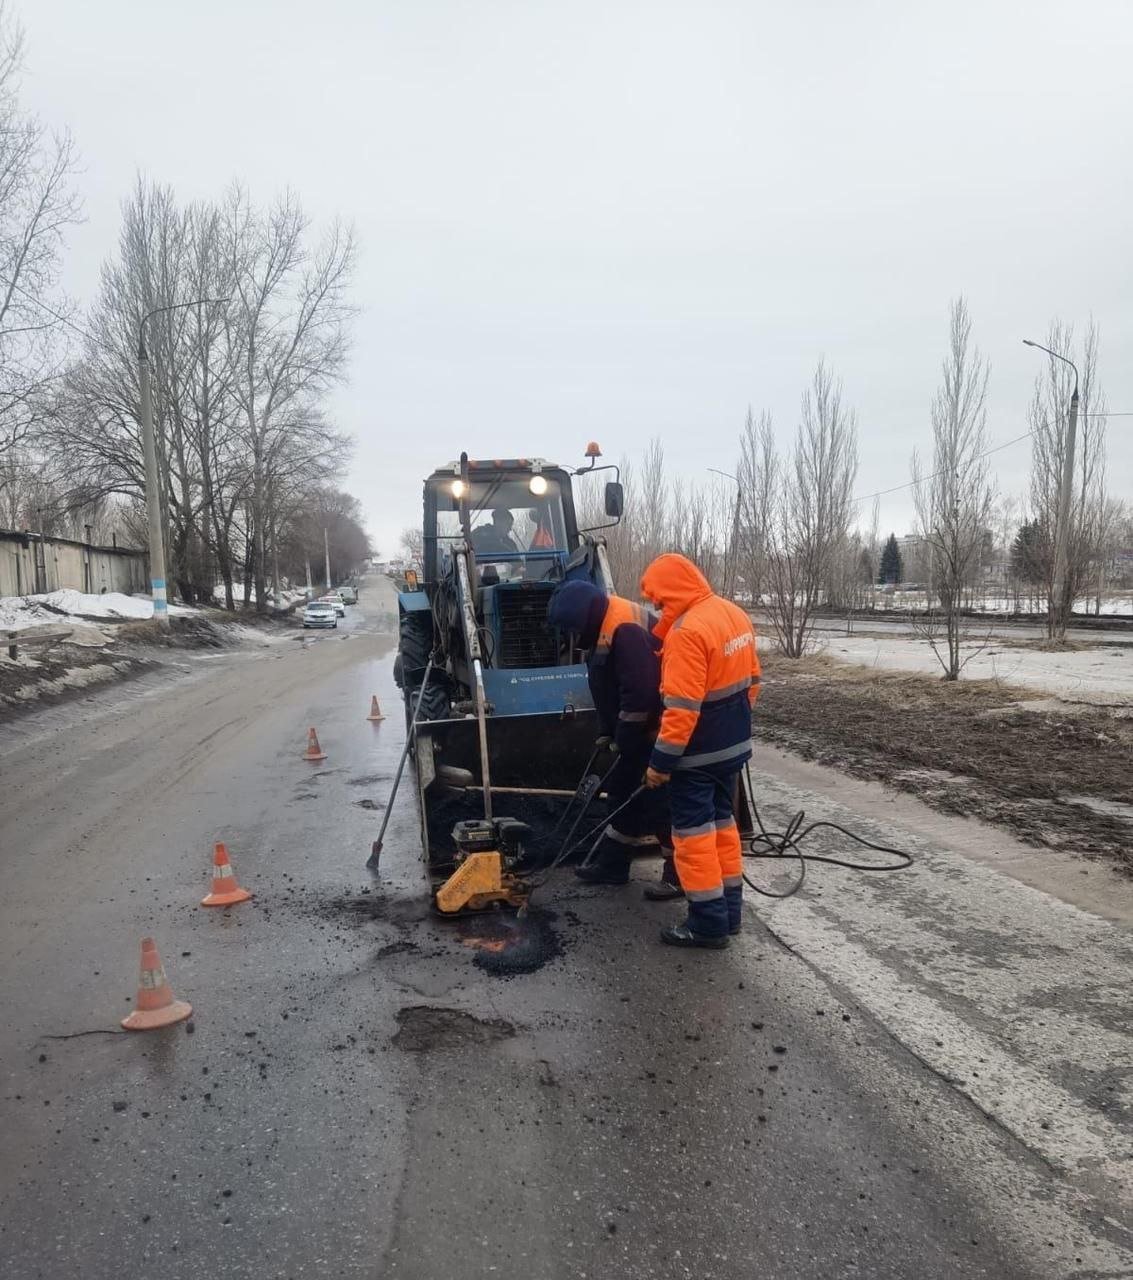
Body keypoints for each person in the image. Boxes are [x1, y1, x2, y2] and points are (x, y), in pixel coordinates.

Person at [641, 553, 761, 948]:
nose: (657, 608)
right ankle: (730, 915)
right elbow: (753, 682)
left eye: (659, 599)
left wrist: (660, 764)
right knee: (724, 830)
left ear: (674, 589)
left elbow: (681, 711)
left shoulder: (687, 633)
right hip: (731, 749)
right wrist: (732, 727)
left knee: (693, 838)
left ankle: (707, 924)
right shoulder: (733, 614)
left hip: (695, 758)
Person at [547, 581, 672, 885]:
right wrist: (607, 730)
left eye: (573, 629)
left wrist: (625, 739)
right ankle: (613, 865)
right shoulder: (601, 625)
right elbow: (607, 687)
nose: (573, 637)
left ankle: (679, 875)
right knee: (620, 793)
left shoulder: (624, 628)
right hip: (633, 731)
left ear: (584, 619)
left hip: (655, 730)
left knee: (659, 802)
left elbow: (640, 694)